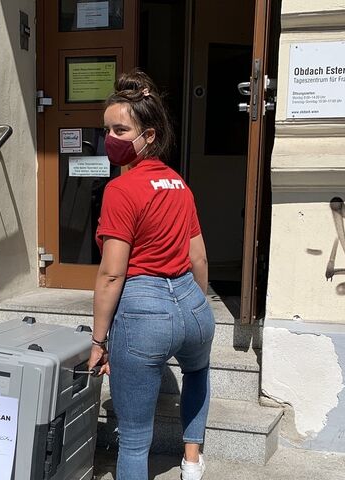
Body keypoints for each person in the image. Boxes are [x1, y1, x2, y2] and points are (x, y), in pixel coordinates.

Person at [87, 71, 215, 480]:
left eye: (121, 129)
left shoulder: (121, 191)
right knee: (197, 372)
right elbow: (199, 258)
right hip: (193, 306)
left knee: (136, 437)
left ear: (150, 134)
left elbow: (111, 274)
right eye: (107, 129)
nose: (112, 137)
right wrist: (193, 308)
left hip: (143, 312)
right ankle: (191, 461)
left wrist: (98, 340)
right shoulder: (179, 183)